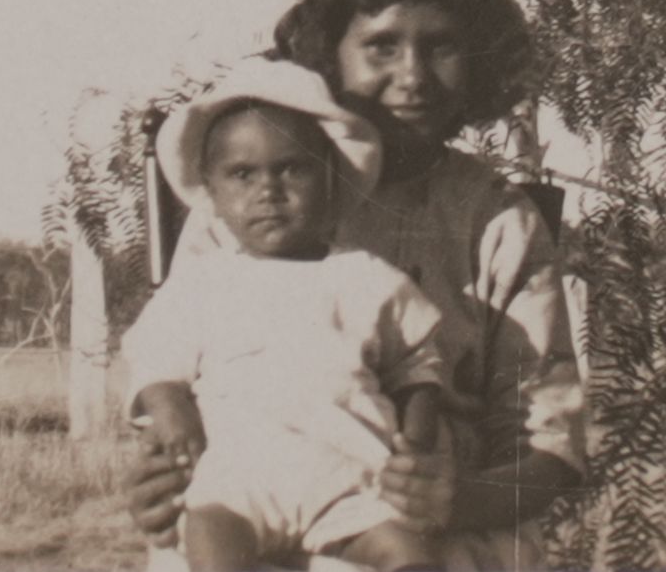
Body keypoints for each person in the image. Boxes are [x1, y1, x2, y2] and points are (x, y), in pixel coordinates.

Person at [127, 0, 584, 571]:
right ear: (330, 54)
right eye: (380, 46)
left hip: (430, 533)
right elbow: (170, 385)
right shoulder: (243, 213)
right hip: (250, 519)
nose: (413, 76)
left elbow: (548, 450)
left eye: (443, 46)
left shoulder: (497, 222)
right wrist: (158, 481)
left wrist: (452, 498)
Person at [125, 59, 447, 572]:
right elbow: (154, 359)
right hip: (238, 483)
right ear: (211, 191)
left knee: (408, 554)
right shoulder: (202, 284)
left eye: (292, 168)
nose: (268, 190)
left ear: (331, 177)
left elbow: (418, 367)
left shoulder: (368, 279)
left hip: (349, 480)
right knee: (207, 535)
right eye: (242, 174)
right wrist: (170, 405)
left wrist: (416, 442)